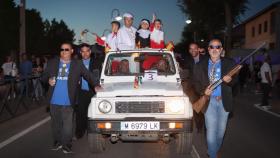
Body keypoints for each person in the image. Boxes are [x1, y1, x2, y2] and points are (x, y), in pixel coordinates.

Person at [41, 42, 100, 154]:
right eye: (62, 49)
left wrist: (96, 85)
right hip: (53, 100)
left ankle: (67, 145)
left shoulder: (77, 64)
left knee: (68, 126)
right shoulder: (53, 63)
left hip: (68, 100)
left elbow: (88, 75)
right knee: (55, 124)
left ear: (72, 51)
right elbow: (43, 78)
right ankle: (57, 141)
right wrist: (47, 81)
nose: (64, 52)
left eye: (67, 49)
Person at [193, 39, 237, 158]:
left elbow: (236, 80)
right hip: (209, 101)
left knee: (220, 132)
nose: (215, 49)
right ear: (208, 49)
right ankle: (212, 154)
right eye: (212, 47)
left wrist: (230, 81)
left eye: (218, 47)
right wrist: (203, 91)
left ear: (221, 49)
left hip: (224, 101)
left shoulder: (229, 63)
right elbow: (196, 83)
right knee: (211, 131)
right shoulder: (200, 65)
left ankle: (212, 151)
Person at [75, 43, 99, 139]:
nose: (85, 54)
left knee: (93, 113)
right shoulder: (76, 63)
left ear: (90, 52)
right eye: (83, 51)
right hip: (81, 92)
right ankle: (79, 132)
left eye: (87, 51)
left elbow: (98, 76)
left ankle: (92, 132)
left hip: (93, 91)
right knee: (80, 113)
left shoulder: (96, 62)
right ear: (80, 53)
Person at [185, 42, 207, 133]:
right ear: (189, 50)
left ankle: (207, 126)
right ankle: (199, 126)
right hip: (193, 89)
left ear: (198, 49)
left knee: (205, 109)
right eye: (191, 49)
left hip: (204, 88)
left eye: (195, 48)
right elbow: (185, 69)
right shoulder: (188, 60)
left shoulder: (205, 59)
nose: (193, 50)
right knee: (196, 108)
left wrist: (205, 50)